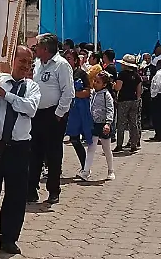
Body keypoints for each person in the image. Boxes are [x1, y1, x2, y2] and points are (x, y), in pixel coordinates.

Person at [0, 45, 41, 256]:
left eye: (29, 63)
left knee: (16, 195)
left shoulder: (32, 87)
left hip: (19, 147)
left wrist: (6, 95)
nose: (26, 67)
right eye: (22, 62)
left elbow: (29, 108)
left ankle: (9, 238)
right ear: (11, 60)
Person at [30, 34, 73, 205]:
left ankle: (53, 190)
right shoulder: (38, 64)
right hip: (36, 114)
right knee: (34, 153)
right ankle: (31, 190)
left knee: (53, 154)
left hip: (53, 115)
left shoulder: (61, 65)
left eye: (37, 46)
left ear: (45, 49)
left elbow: (68, 92)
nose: (35, 49)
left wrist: (58, 113)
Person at [78, 70, 115, 181]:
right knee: (91, 148)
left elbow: (110, 109)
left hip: (103, 125)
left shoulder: (106, 95)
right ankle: (86, 171)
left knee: (107, 149)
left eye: (98, 82)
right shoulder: (93, 93)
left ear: (104, 84)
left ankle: (111, 170)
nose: (95, 83)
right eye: (94, 81)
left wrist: (108, 123)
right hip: (93, 124)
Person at [65, 52, 94, 172]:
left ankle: (85, 167)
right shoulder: (63, 73)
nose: (67, 61)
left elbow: (87, 91)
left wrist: (73, 94)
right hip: (65, 109)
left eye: (69, 59)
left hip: (79, 109)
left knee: (77, 139)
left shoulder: (81, 74)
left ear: (76, 60)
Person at [113, 55, 143, 153]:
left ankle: (119, 145)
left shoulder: (122, 75)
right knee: (133, 123)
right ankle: (134, 144)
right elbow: (139, 90)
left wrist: (113, 85)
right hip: (134, 100)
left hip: (123, 100)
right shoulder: (137, 75)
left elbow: (118, 88)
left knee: (121, 123)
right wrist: (137, 100)